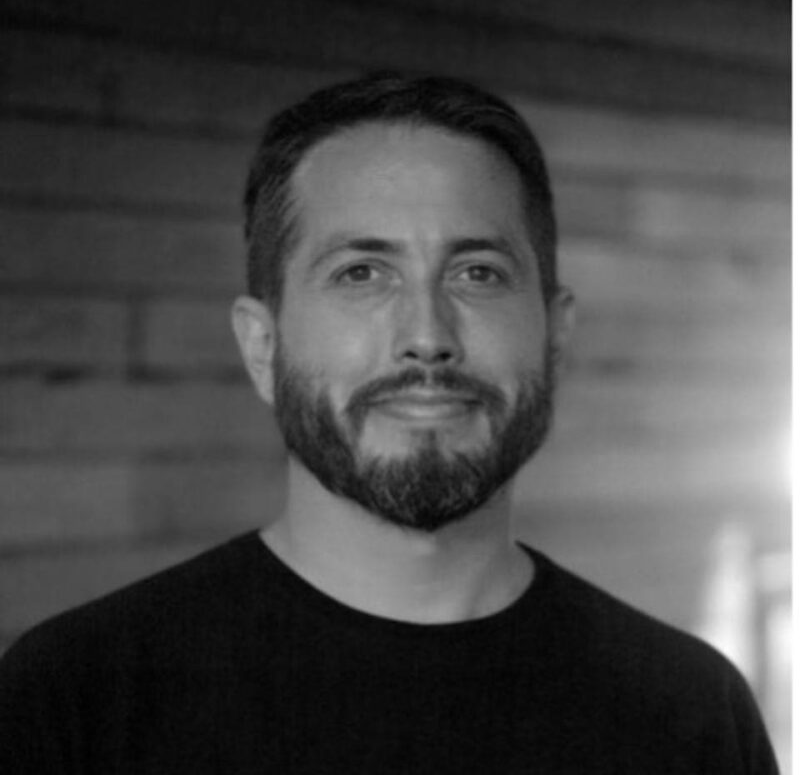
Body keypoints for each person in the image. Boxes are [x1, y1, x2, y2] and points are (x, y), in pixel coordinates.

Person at [0, 72, 778, 774]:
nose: (427, 335)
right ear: (262, 346)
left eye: (478, 273)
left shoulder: (691, 713)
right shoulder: (74, 701)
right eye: (361, 274)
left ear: (555, 332)